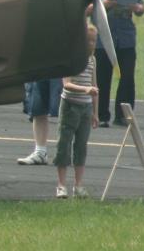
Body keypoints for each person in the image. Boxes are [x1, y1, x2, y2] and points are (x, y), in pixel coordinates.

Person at [17, 0, 67, 165]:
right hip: (39, 58)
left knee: (65, 107)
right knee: (37, 108)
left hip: (61, 59)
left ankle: (66, 151)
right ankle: (40, 151)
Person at [94, 0, 144, 128]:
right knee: (102, 78)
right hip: (102, 40)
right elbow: (85, 10)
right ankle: (101, 116)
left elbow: (141, 9)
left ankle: (123, 116)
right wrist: (103, 5)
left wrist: (135, 7)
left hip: (125, 39)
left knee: (127, 78)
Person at [54, 24, 99, 199]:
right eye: (88, 40)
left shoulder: (93, 60)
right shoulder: (72, 59)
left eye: (94, 40)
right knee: (64, 144)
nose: (91, 44)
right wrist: (85, 90)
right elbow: (67, 84)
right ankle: (61, 185)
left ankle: (78, 185)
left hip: (86, 108)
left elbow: (95, 86)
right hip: (70, 106)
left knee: (81, 146)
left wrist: (95, 112)